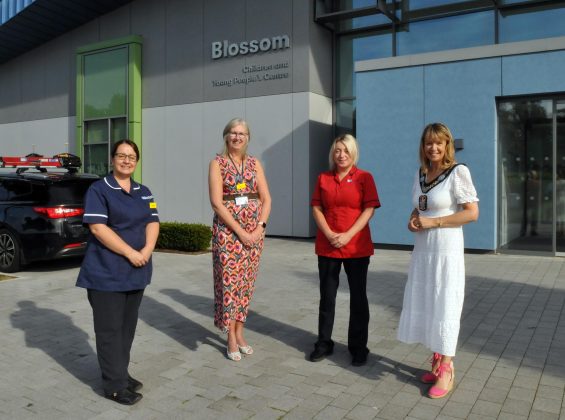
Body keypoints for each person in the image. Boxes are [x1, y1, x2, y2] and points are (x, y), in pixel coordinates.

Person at [397, 123, 479, 399]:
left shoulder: (458, 172)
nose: (433, 148)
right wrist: (413, 219)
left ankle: (447, 367)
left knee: (445, 303)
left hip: (446, 250)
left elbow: (471, 213)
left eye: (439, 143)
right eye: (428, 143)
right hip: (424, 251)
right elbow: (419, 205)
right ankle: (436, 358)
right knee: (429, 302)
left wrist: (435, 221)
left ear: (447, 145)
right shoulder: (421, 173)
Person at [76, 139, 160, 405]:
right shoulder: (99, 190)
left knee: (127, 329)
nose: (126, 160)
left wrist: (146, 250)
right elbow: (98, 229)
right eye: (121, 155)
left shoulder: (143, 191)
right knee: (110, 330)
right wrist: (131, 253)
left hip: (137, 271)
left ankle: (120, 373)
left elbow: (153, 222)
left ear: (137, 161)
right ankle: (114, 386)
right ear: (112, 159)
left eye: (132, 156)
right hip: (106, 273)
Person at [309, 134, 380, 366]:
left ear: (353, 153)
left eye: (346, 151)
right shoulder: (323, 178)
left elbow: (369, 209)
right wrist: (329, 233)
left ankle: (358, 347)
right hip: (327, 246)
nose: (341, 155)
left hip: (356, 247)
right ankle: (323, 343)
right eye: (338, 150)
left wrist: (348, 235)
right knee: (327, 297)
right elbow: (317, 208)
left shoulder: (364, 178)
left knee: (358, 298)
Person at [208, 118, 272, 362]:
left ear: (248, 138)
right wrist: (241, 232)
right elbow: (217, 202)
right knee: (230, 285)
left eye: (242, 133)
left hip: (254, 234)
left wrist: (259, 228)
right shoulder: (217, 163)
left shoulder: (255, 164)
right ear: (226, 136)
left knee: (245, 285)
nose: (237, 137)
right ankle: (230, 337)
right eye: (233, 133)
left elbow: (267, 199)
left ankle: (240, 332)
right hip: (228, 234)